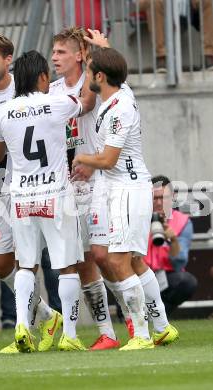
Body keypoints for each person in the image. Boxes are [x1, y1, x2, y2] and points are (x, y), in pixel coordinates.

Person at [0, 32, 60, 353]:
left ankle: (25, 331)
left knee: (28, 259)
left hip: (28, 185)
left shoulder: (26, 87)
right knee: (1, 265)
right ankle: (46, 315)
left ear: (8, 60)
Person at [0, 50, 95, 352]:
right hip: (56, 195)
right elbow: (87, 102)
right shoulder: (58, 103)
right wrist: (90, 64)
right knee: (67, 267)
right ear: (43, 77)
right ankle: (71, 335)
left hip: (22, 196)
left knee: (25, 265)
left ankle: (22, 327)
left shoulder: (4, 111)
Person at [73, 43, 155, 350]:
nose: (86, 76)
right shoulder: (117, 97)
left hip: (129, 190)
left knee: (120, 261)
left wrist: (83, 159)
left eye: (90, 70)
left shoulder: (119, 108)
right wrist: (100, 48)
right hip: (118, 190)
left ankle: (142, 335)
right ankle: (151, 330)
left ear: (101, 76)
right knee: (119, 259)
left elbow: (107, 160)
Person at [50, 26, 119, 351]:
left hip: (100, 181)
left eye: (62, 51)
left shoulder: (94, 82)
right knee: (82, 262)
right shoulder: (50, 91)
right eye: (53, 52)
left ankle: (142, 318)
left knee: (107, 257)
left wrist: (97, 56)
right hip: (68, 186)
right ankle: (107, 331)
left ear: (80, 55)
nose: (55, 57)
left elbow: (88, 105)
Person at [144, 175, 197, 314]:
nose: (159, 202)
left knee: (187, 282)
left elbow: (179, 264)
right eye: (155, 198)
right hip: (139, 275)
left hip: (166, 277)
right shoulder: (137, 219)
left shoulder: (183, 221)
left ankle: (157, 316)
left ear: (172, 197)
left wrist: (173, 240)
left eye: (164, 197)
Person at [139, 0, 213, 71]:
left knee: (209, 1)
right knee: (154, 2)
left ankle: (208, 55)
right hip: (162, 8)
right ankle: (161, 57)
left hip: (187, 7)